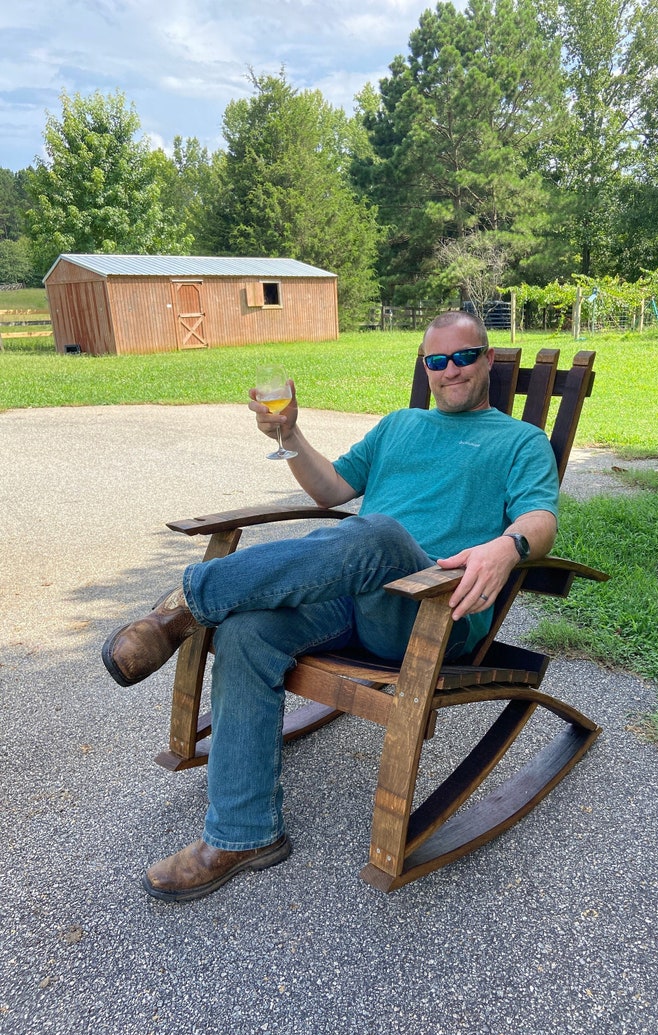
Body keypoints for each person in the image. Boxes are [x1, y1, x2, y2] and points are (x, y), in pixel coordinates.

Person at [102, 311, 559, 902]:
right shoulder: (399, 426)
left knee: (378, 532)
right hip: (350, 599)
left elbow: (541, 519)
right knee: (247, 632)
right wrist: (289, 435)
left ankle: (184, 605)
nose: (450, 371)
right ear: (425, 366)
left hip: (430, 612)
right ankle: (243, 835)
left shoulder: (520, 440)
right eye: (436, 361)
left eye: (463, 357)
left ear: (487, 359)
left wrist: (507, 546)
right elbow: (332, 492)